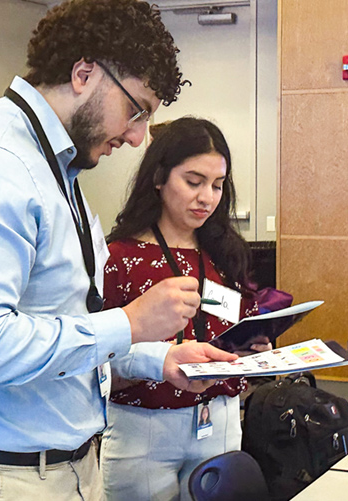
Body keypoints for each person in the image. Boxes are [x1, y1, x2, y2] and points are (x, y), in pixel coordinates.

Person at [0, 2, 237, 500]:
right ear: (83, 73)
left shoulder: (53, 169)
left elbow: (60, 328)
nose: (139, 135)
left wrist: (154, 360)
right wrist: (130, 323)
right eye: (136, 109)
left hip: (57, 467)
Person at [101, 117, 270, 501]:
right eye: (193, 182)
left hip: (221, 418)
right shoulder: (119, 258)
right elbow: (98, 357)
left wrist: (252, 348)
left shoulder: (225, 253)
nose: (206, 198)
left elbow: (238, 325)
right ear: (159, 178)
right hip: (145, 426)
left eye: (217, 185)